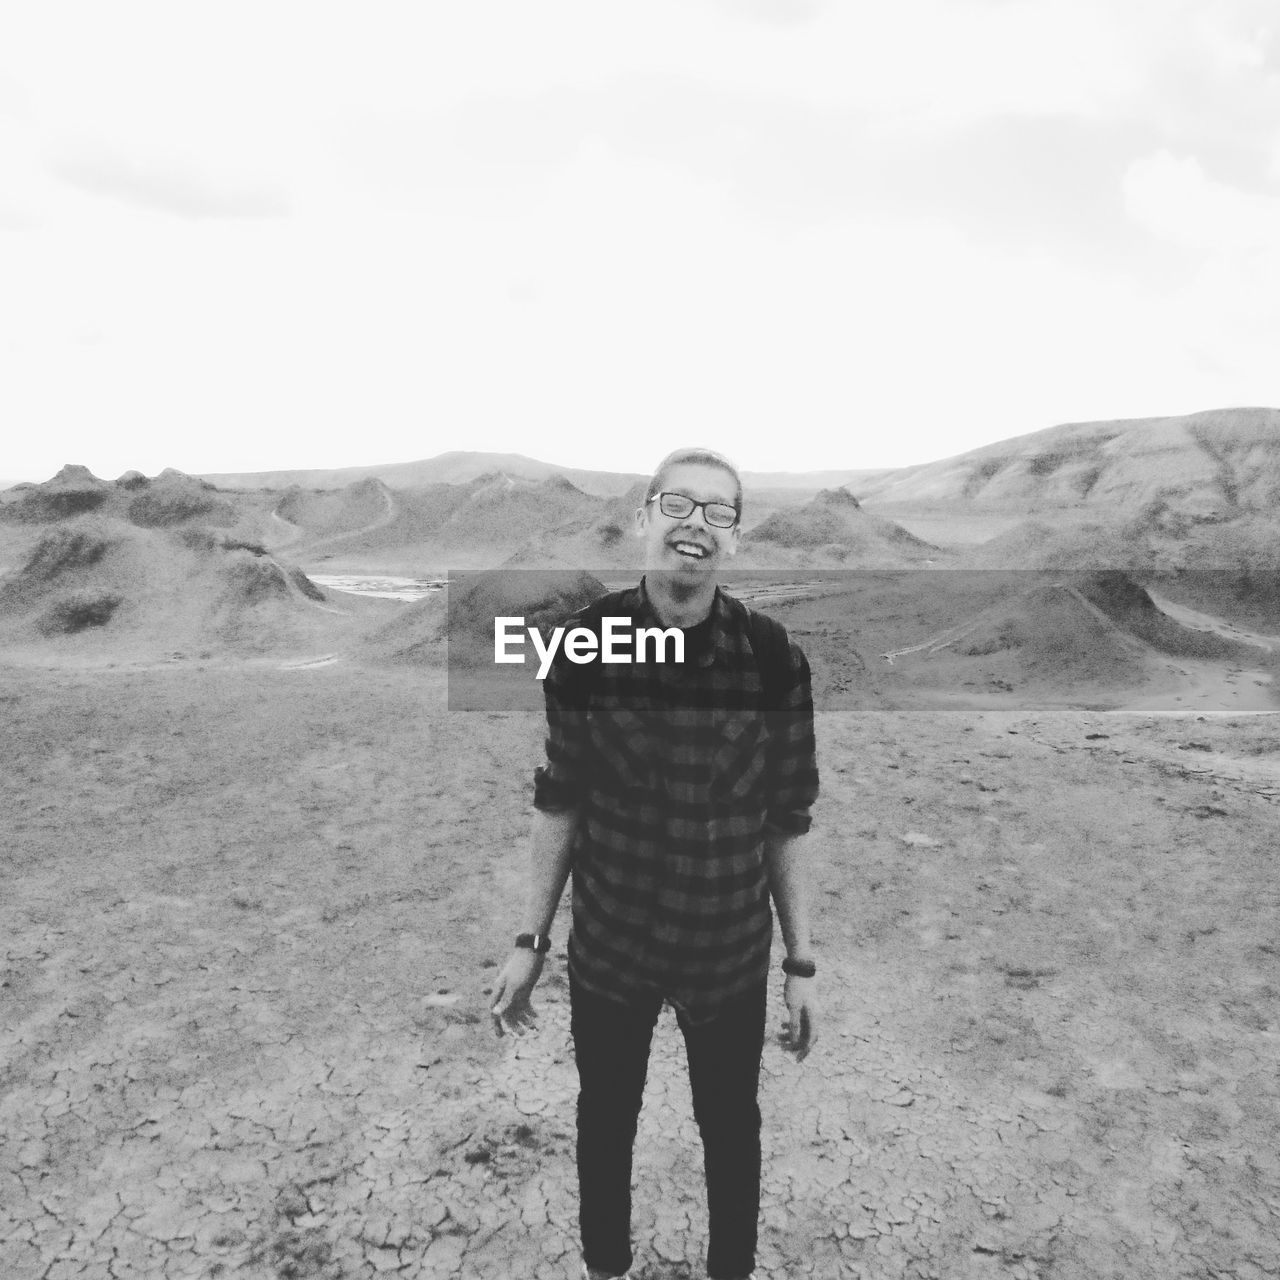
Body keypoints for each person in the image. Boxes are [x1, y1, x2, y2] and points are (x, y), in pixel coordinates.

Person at [490, 447, 820, 1280]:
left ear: (734, 539)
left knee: (730, 1128)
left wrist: (802, 961)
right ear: (644, 519)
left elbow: (787, 820)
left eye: (718, 512)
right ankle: (607, 1269)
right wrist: (529, 940)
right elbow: (561, 797)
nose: (694, 526)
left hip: (728, 951)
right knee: (605, 1121)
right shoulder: (582, 647)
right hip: (613, 947)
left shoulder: (774, 658)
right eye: (678, 505)